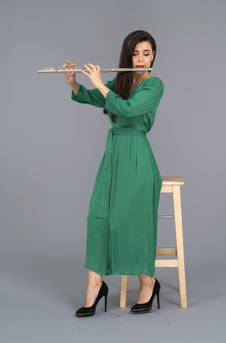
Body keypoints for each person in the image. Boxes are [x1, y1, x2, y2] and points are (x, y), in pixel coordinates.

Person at [63, 30, 164, 316]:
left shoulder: (154, 85)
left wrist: (100, 83)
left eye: (146, 53)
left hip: (136, 157)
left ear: (154, 55)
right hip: (114, 154)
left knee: (131, 222)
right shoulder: (121, 81)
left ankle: (148, 282)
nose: (141, 59)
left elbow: (128, 110)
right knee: (98, 217)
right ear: (127, 55)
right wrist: (74, 82)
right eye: (135, 53)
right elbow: (92, 97)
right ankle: (94, 287)